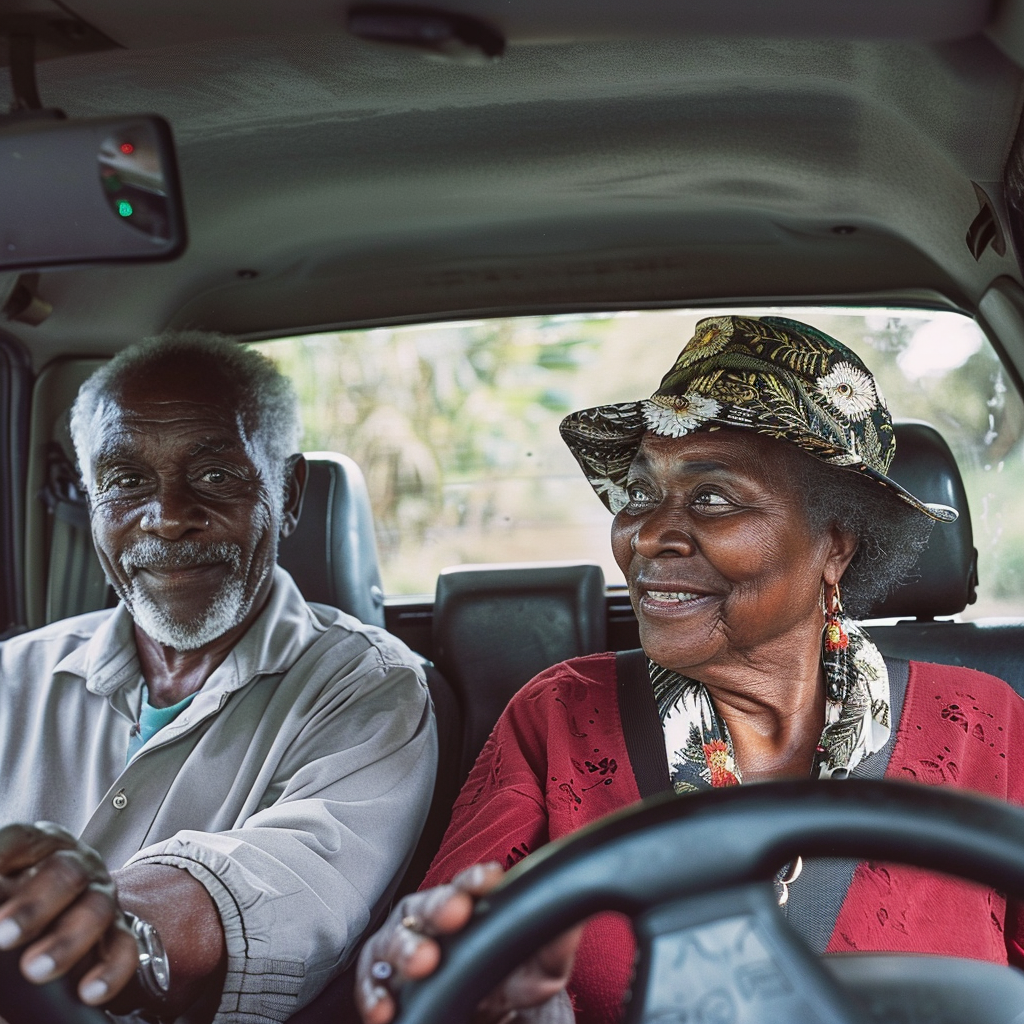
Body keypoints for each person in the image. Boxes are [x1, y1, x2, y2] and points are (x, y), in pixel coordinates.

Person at [354, 314, 1024, 1024]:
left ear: (836, 547)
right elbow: (445, 969)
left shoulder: (988, 723)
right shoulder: (557, 715)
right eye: (639, 494)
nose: (646, 535)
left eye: (711, 497)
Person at [0, 333, 437, 1022]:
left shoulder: (370, 688)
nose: (169, 517)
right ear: (91, 502)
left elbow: (297, 876)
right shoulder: (11, 677)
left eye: (215, 476)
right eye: (126, 482)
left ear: (288, 494)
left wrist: (118, 927)